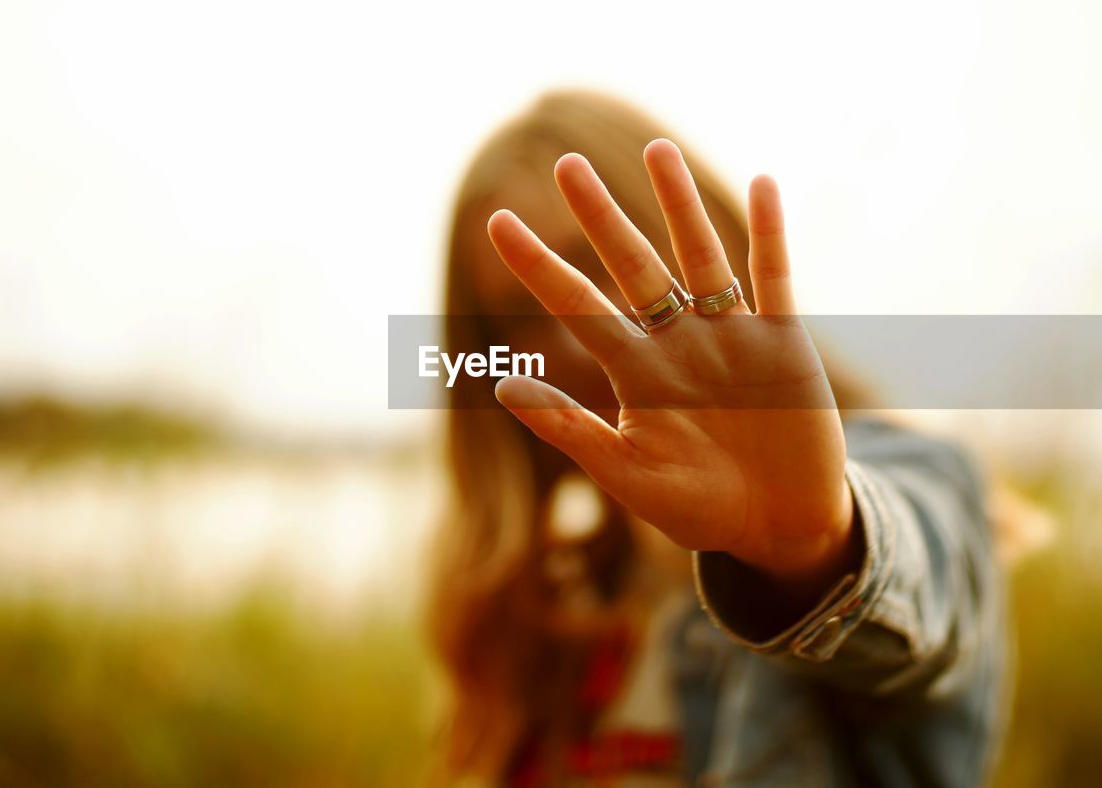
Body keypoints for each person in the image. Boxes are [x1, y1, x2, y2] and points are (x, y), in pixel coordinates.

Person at [427, 89, 1011, 786]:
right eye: (521, 311)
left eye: (596, 265)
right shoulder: (557, 603)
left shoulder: (901, 483)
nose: (570, 336)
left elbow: (918, 581)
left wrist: (813, 546)